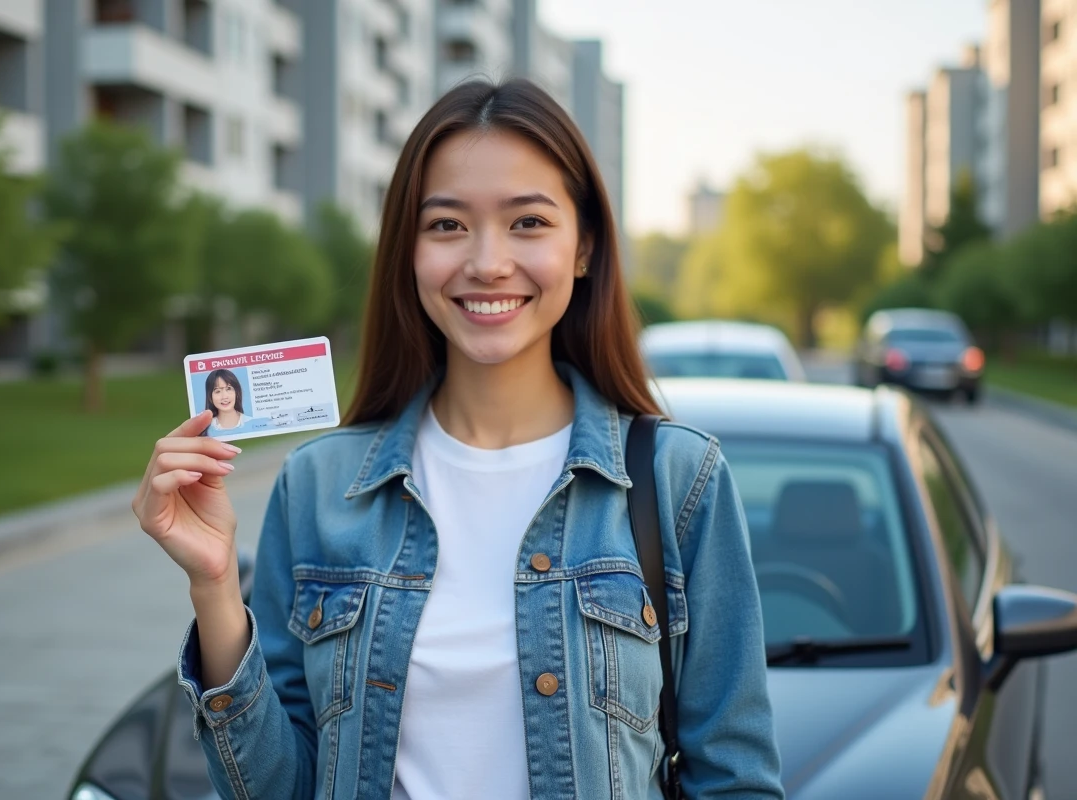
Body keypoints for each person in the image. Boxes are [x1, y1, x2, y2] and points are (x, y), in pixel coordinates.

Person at [134, 79, 783, 799]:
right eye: (446, 225)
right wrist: (216, 588)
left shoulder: (678, 480)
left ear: (584, 247)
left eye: (528, 222)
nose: (486, 261)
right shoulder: (317, 484)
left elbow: (736, 780)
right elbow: (274, 790)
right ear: (408, 252)